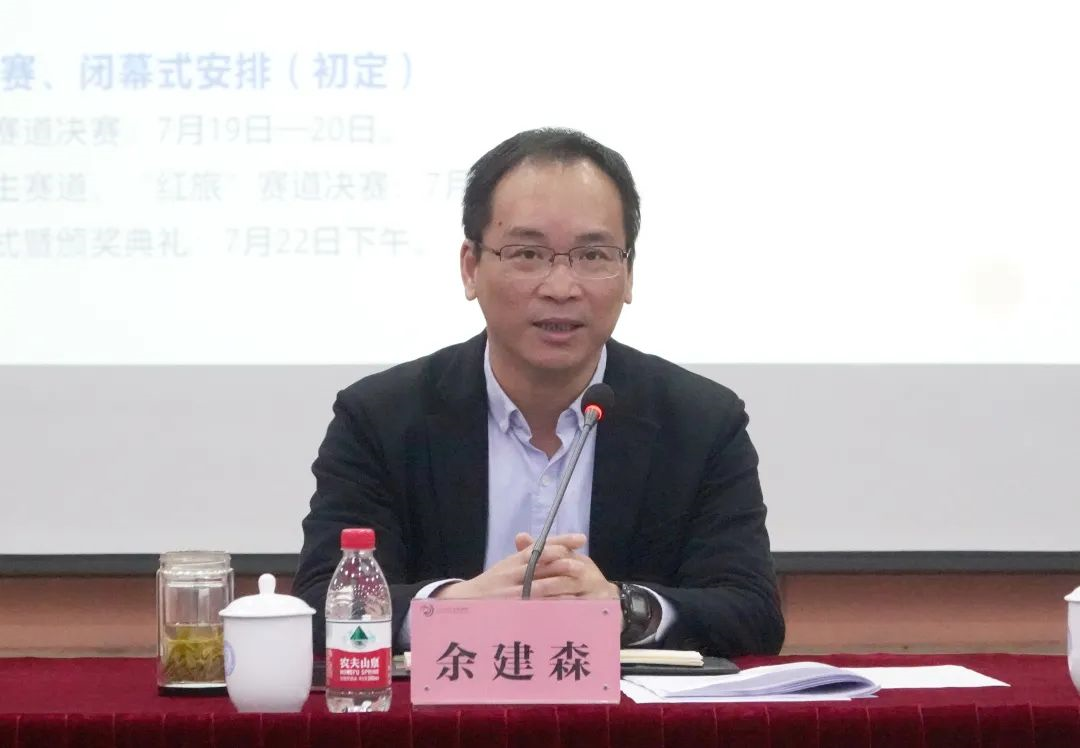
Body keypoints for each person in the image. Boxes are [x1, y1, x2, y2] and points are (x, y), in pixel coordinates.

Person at [293, 128, 784, 657]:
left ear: (628, 274)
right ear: (470, 268)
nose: (561, 287)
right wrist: (452, 606)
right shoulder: (380, 419)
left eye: (593, 255)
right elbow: (322, 604)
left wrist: (623, 609)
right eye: (527, 253)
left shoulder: (701, 423)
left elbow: (752, 613)